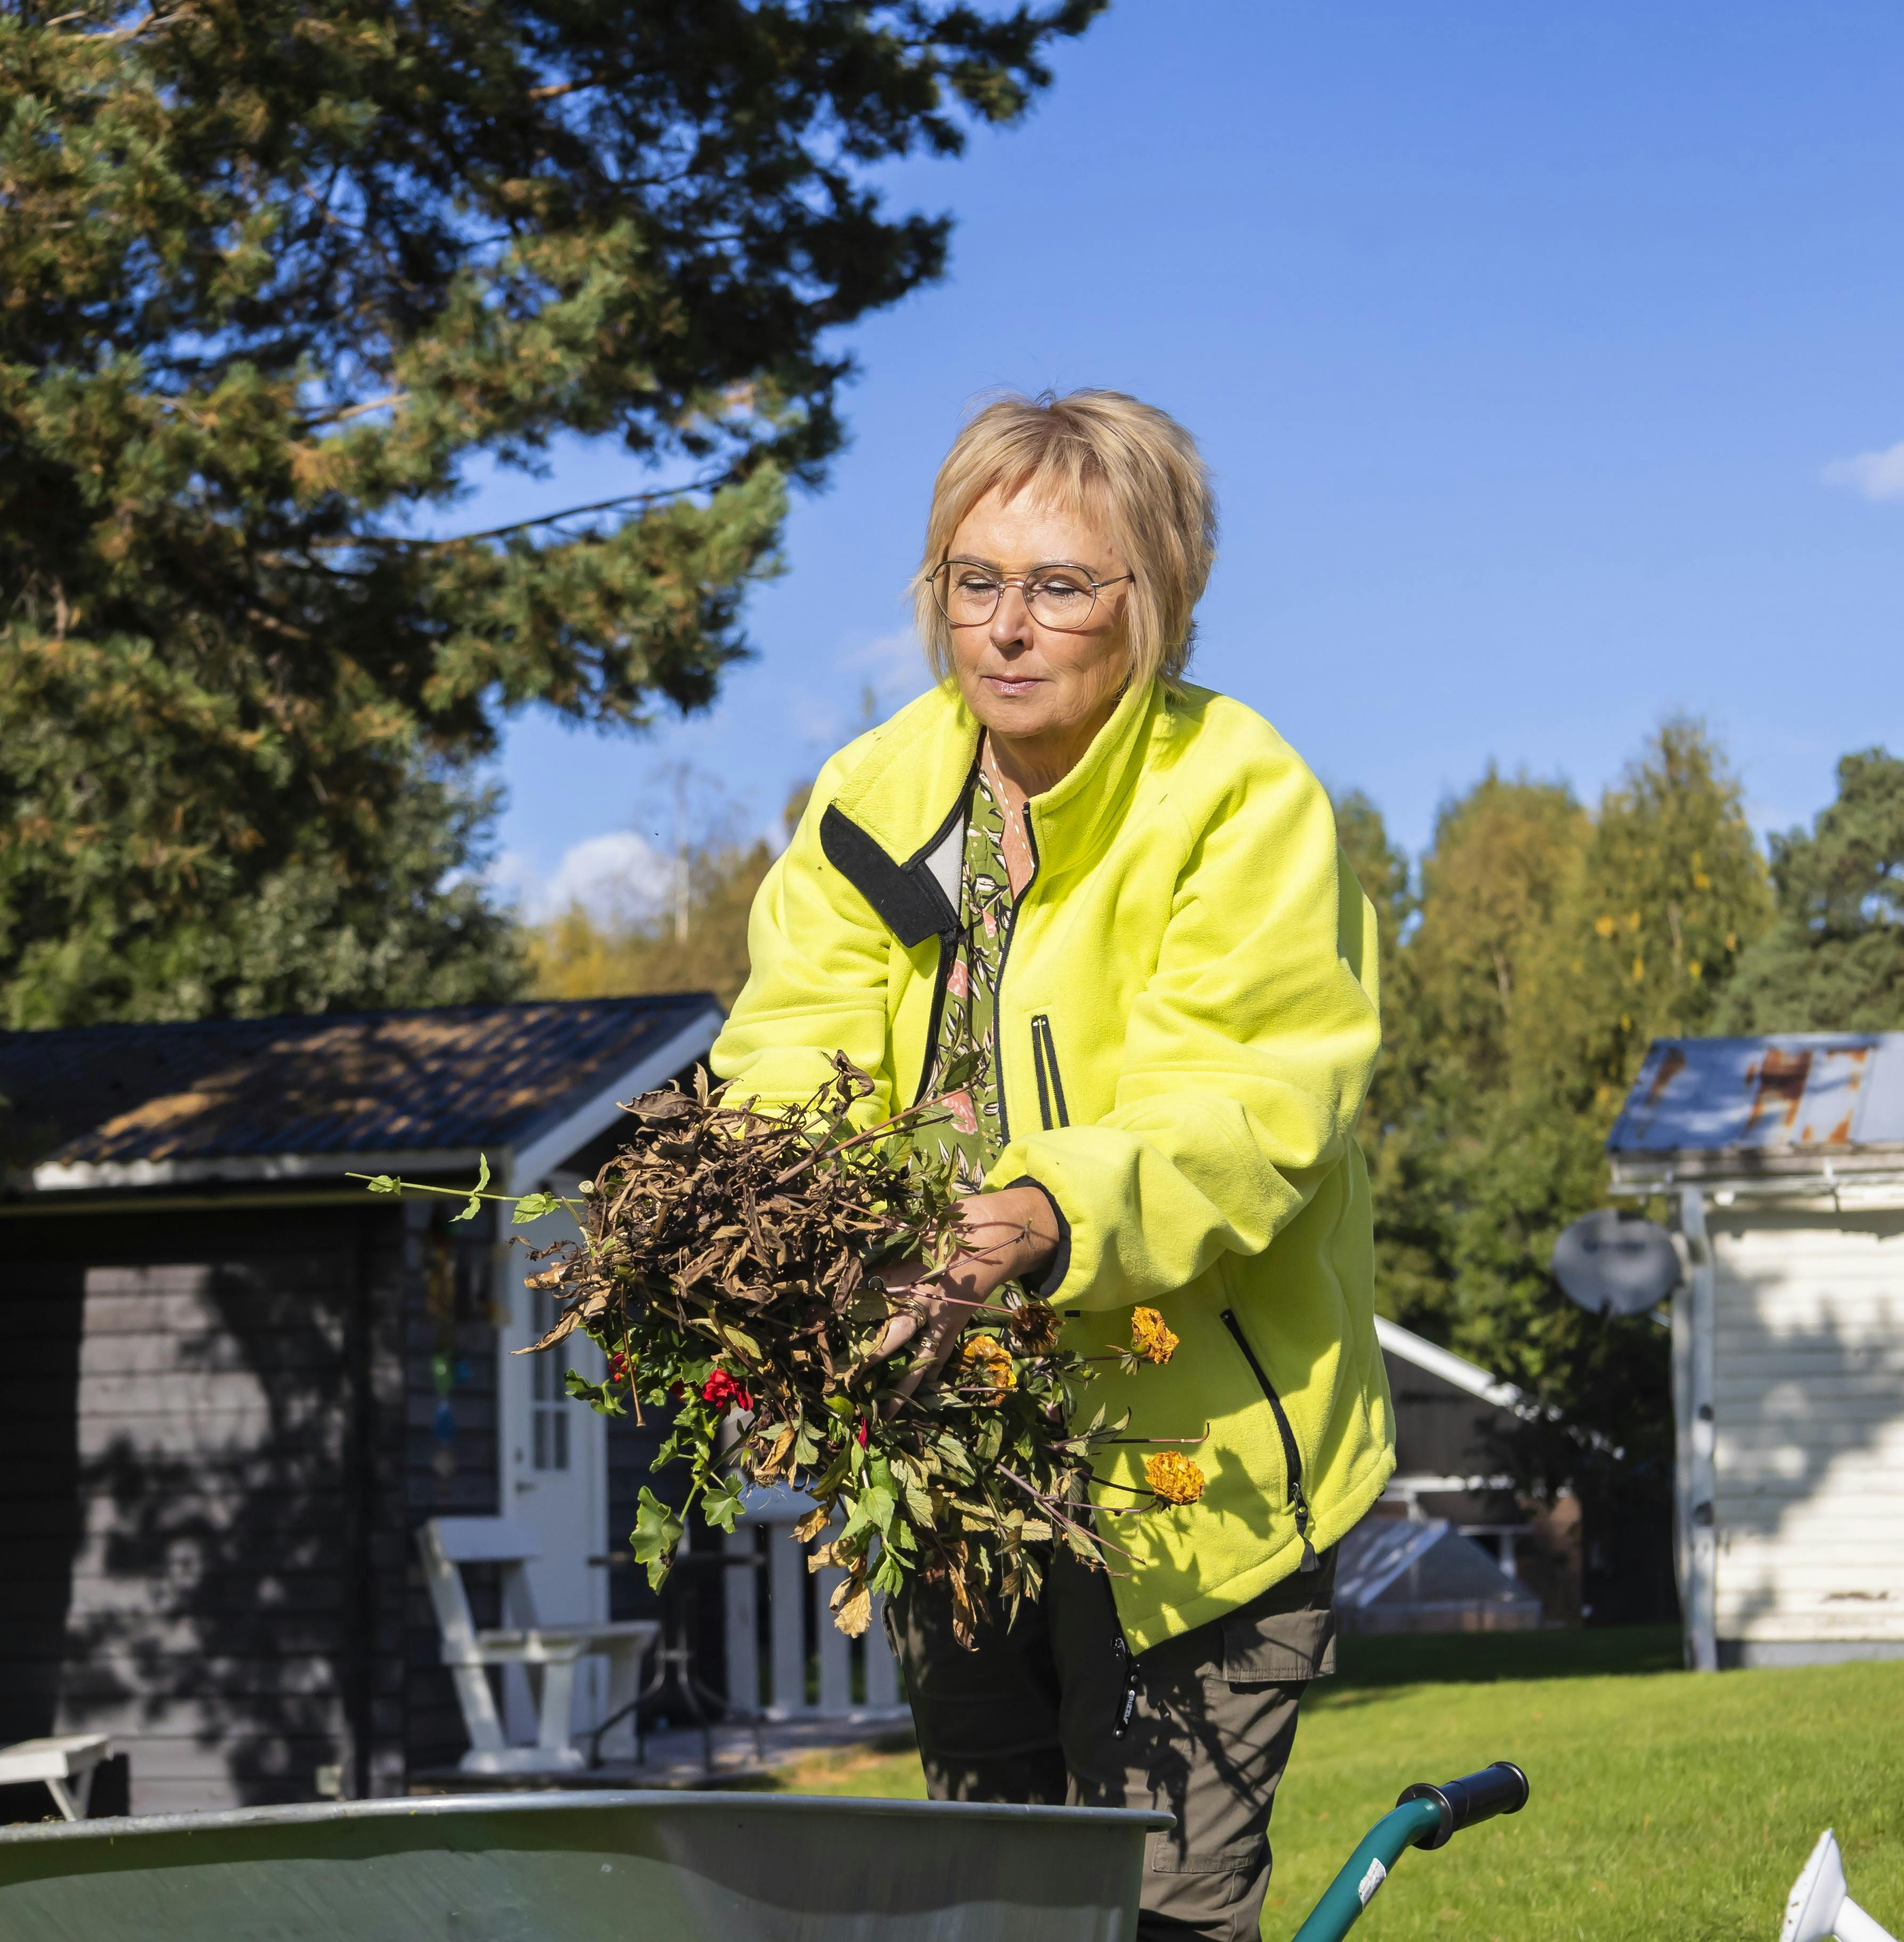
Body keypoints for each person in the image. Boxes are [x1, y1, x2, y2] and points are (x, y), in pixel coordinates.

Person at [710, 389, 1391, 1942]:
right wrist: (775, 1222)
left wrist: (1034, 1215)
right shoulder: (875, 800)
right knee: (995, 1900)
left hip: (1195, 1462)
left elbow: (1245, 1101)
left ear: (1154, 600)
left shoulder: (1236, 797)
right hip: (962, 1455)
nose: (1008, 629)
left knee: (1158, 1905)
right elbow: (786, 1043)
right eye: (976, 581)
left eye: (1062, 587)